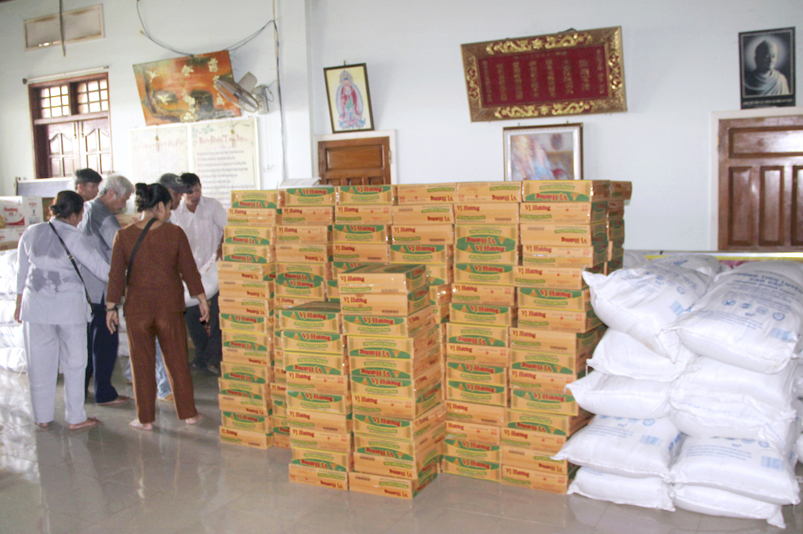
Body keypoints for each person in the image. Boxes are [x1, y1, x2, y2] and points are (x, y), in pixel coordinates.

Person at [106, 183, 208, 430]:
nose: (170, 213)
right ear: (160, 206)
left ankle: (145, 419)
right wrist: (202, 299)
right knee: (177, 362)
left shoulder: (123, 235)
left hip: (137, 310)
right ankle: (189, 414)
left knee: (141, 364)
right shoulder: (175, 233)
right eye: (170, 208)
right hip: (169, 308)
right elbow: (189, 271)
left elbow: (116, 276)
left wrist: (110, 308)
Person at [15, 191, 111, 430]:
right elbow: (101, 269)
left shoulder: (31, 232)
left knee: (39, 363)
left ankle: (42, 417)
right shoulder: (75, 237)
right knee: (75, 363)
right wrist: (129, 277)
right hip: (69, 309)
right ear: (78, 213)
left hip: (35, 308)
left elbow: (21, 272)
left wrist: (18, 304)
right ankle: (75, 417)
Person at [119, 172, 189, 400]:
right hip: (151, 295)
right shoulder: (157, 225)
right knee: (159, 339)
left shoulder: (167, 222)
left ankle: (135, 375)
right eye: (176, 194)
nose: (179, 199)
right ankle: (165, 387)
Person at [79, 174, 134, 407]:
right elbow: (120, 249)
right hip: (101, 288)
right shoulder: (104, 217)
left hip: (85, 287)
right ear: (111, 193)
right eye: (124, 199)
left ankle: (80, 390)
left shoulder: (86, 209)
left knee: (86, 343)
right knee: (105, 341)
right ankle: (104, 393)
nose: (124, 205)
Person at [171, 172, 226, 375]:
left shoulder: (212, 206)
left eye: (197, 189)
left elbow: (229, 228)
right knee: (192, 314)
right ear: (182, 193)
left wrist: (222, 245)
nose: (195, 195)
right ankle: (202, 355)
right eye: (190, 192)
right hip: (191, 271)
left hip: (215, 270)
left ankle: (213, 357)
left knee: (218, 314)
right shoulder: (176, 213)